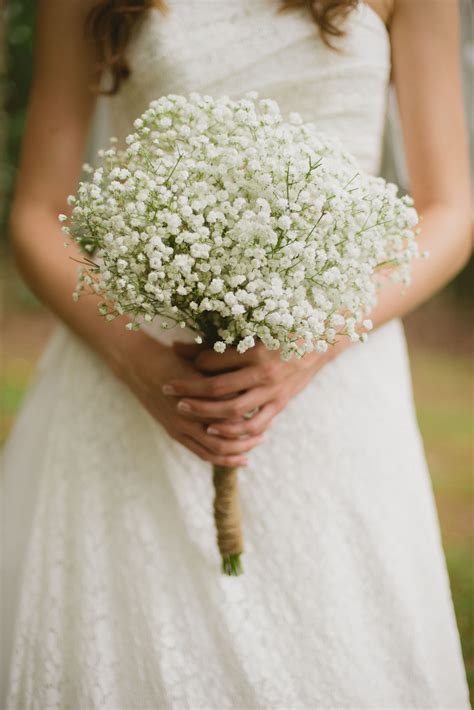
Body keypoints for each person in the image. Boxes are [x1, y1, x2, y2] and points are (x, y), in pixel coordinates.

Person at [2, 0, 471, 707]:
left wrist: (312, 345)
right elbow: (39, 211)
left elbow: (451, 210)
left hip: (340, 377)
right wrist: (142, 362)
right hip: (134, 366)